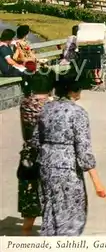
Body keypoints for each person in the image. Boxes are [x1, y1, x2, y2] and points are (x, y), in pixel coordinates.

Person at [28, 69, 106, 236]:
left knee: (50, 212)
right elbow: (84, 151)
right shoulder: (78, 113)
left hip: (46, 166)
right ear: (73, 91)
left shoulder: (45, 109)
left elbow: (35, 140)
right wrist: (97, 182)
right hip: (67, 169)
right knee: (71, 215)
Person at [18, 68, 56, 235]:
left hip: (30, 154)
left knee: (31, 197)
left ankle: (26, 234)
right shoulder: (53, 106)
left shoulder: (25, 103)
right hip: (50, 155)